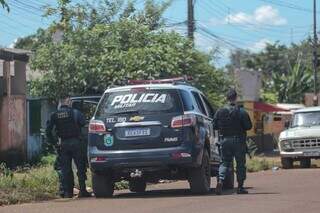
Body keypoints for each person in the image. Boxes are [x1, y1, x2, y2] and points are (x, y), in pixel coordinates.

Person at [46, 96, 91, 198]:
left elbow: (48, 131)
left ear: (60, 103)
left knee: (66, 169)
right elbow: (84, 124)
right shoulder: (75, 113)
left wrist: (54, 143)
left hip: (63, 144)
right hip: (76, 143)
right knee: (80, 166)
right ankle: (83, 190)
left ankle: (68, 192)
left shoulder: (54, 115)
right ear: (68, 102)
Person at [213, 89, 252, 195]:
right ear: (236, 98)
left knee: (224, 162)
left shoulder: (220, 111)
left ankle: (220, 180)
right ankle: (240, 187)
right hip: (238, 141)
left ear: (226, 98)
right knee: (240, 164)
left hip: (224, 140)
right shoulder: (241, 111)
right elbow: (249, 126)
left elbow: (214, 126)